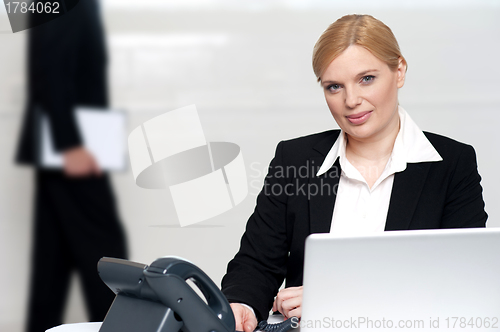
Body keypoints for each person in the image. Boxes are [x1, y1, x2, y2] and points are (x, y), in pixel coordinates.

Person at [221, 14, 487, 332]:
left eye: (366, 79)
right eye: (334, 86)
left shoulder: (452, 164)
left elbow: (460, 280)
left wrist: (336, 299)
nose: (351, 101)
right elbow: (256, 263)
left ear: (399, 71)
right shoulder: (294, 158)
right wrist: (242, 305)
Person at [15, 1, 127, 331]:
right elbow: (50, 71)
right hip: (71, 148)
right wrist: (70, 146)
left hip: (68, 145)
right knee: (105, 253)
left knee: (53, 261)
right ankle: (122, 327)